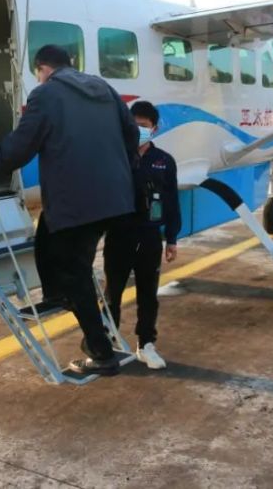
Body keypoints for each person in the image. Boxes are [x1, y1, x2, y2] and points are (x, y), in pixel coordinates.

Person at [0, 44, 139, 375]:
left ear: (42, 69)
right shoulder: (104, 88)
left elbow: (23, 144)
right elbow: (132, 133)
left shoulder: (46, 95)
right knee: (47, 232)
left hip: (78, 201)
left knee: (74, 272)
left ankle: (101, 353)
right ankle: (57, 295)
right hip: (116, 198)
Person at [103, 100, 181, 370]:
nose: (138, 130)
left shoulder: (164, 162)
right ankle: (107, 343)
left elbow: (172, 202)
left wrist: (171, 238)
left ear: (155, 128)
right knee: (113, 292)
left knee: (148, 294)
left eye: (144, 126)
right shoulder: (115, 156)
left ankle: (146, 344)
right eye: (134, 125)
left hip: (149, 237)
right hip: (119, 234)